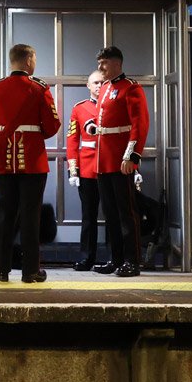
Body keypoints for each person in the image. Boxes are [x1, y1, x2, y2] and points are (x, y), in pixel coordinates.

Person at [0, 43, 62, 283]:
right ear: (29, 60)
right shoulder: (39, 88)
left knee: (5, 215)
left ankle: (1, 270)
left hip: (5, 160)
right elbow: (52, 125)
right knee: (31, 216)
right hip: (32, 159)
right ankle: (30, 271)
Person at [93, 46, 149, 278]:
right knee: (111, 213)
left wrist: (131, 155)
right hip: (104, 159)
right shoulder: (106, 88)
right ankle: (115, 259)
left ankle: (132, 261)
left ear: (117, 63)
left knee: (127, 213)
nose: (100, 69)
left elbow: (140, 123)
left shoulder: (131, 88)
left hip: (120, 158)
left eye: (104, 64)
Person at [66, 71, 105, 270]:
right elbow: (72, 140)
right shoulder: (80, 108)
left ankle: (117, 257)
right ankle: (87, 257)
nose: (99, 85)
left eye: (102, 82)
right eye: (96, 83)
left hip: (110, 167)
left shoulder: (113, 105)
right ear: (88, 86)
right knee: (88, 216)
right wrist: (73, 169)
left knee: (114, 215)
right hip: (88, 168)